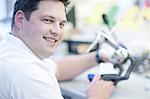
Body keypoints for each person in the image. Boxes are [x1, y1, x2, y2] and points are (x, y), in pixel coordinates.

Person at [0, 0, 115, 99]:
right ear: (20, 20)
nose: (57, 31)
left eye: (61, 24)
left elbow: (58, 69)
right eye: (48, 20)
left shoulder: (11, 50)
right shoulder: (28, 73)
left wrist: (98, 56)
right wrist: (96, 97)